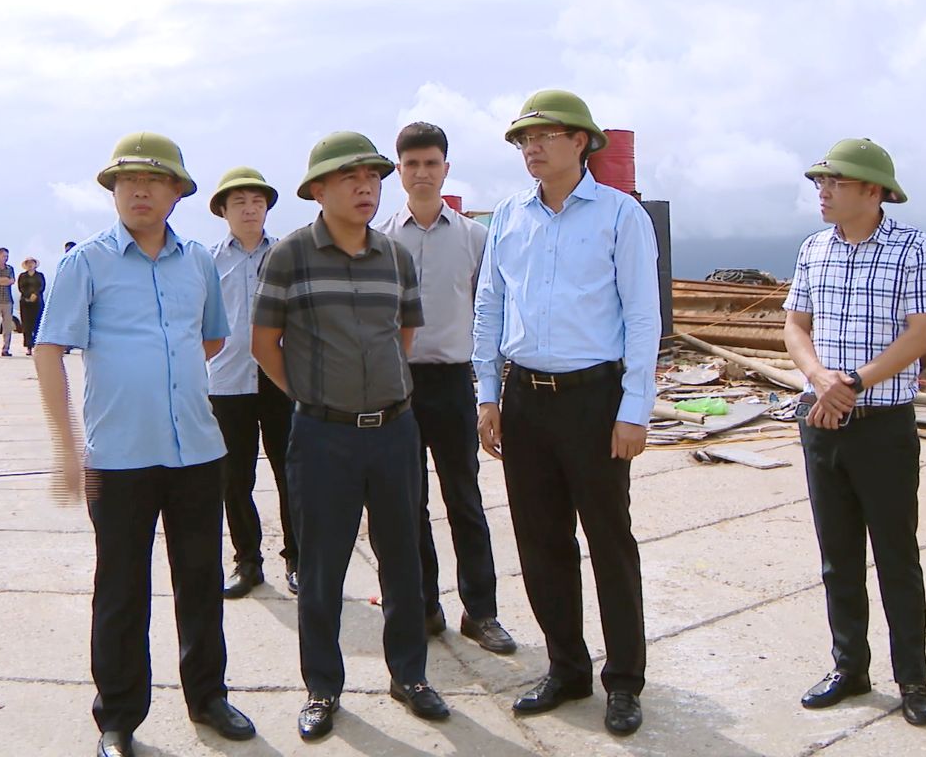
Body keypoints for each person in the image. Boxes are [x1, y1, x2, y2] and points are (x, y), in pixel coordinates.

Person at [33, 132, 256, 757]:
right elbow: (49, 350)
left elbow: (210, 338)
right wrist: (67, 445)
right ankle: (118, 718)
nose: (138, 189)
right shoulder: (88, 263)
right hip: (117, 458)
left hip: (197, 453)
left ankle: (208, 696)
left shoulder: (198, 263)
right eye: (125, 180)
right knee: (122, 590)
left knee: (201, 582)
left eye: (154, 180)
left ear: (178, 192)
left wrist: (167, 375)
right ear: (111, 191)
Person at [473, 89, 661, 736]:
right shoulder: (508, 217)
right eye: (524, 139)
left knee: (609, 541)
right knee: (540, 539)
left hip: (594, 400)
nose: (531, 147)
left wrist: (635, 408)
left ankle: (624, 681)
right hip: (525, 399)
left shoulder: (618, 216)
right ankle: (566, 667)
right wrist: (488, 394)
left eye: (545, 135)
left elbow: (642, 316)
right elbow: (489, 308)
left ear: (581, 142)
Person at [251, 131, 448, 741]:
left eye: (373, 178)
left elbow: (404, 338)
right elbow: (264, 346)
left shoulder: (396, 256)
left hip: (393, 430)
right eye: (349, 178)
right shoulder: (289, 256)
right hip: (321, 436)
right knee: (321, 567)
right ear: (317, 190)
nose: (366, 188)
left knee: (404, 561)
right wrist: (316, 398)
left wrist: (377, 395)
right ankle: (322, 687)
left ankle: (409, 675)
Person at [784, 138, 926, 727]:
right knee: (838, 557)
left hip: (881, 425)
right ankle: (849, 667)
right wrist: (818, 378)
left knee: (896, 556)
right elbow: (795, 325)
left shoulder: (914, 249)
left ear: (874, 191)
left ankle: (913, 679)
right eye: (820, 183)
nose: (823, 193)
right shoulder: (813, 251)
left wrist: (849, 382)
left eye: (836, 183)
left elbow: (921, 335)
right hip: (822, 421)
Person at [373, 122, 515, 654]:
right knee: (407, 506)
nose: (422, 173)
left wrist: (488, 395)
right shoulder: (381, 239)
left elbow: (491, 318)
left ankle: (481, 612)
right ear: (399, 171)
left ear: (446, 169)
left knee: (465, 500)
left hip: (454, 382)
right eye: (412, 165)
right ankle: (423, 606)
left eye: (431, 163)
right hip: (399, 385)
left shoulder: (477, 239)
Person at [207, 167, 299, 599]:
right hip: (227, 381)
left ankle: (298, 559)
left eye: (257, 201)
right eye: (239, 202)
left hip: (279, 379)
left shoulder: (285, 255)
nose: (249, 209)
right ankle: (247, 561)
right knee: (234, 476)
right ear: (223, 210)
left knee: (290, 472)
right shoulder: (208, 261)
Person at [17, 258, 45, 356]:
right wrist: (28, 296)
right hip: (25, 303)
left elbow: (41, 286)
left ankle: (37, 345)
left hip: (37, 303)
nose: (30, 265)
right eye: (28, 263)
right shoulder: (22, 276)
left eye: (32, 263)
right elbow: (21, 287)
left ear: (35, 264)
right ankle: (28, 347)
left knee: (37, 324)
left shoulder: (39, 275)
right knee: (27, 325)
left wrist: (35, 294)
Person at [0, 247, 14, 356]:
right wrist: (3, 281)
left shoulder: (10, 269)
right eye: (4, 256)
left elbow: (11, 281)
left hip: (7, 301)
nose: (6, 258)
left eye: (7, 256)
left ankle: (5, 349)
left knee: (7, 327)